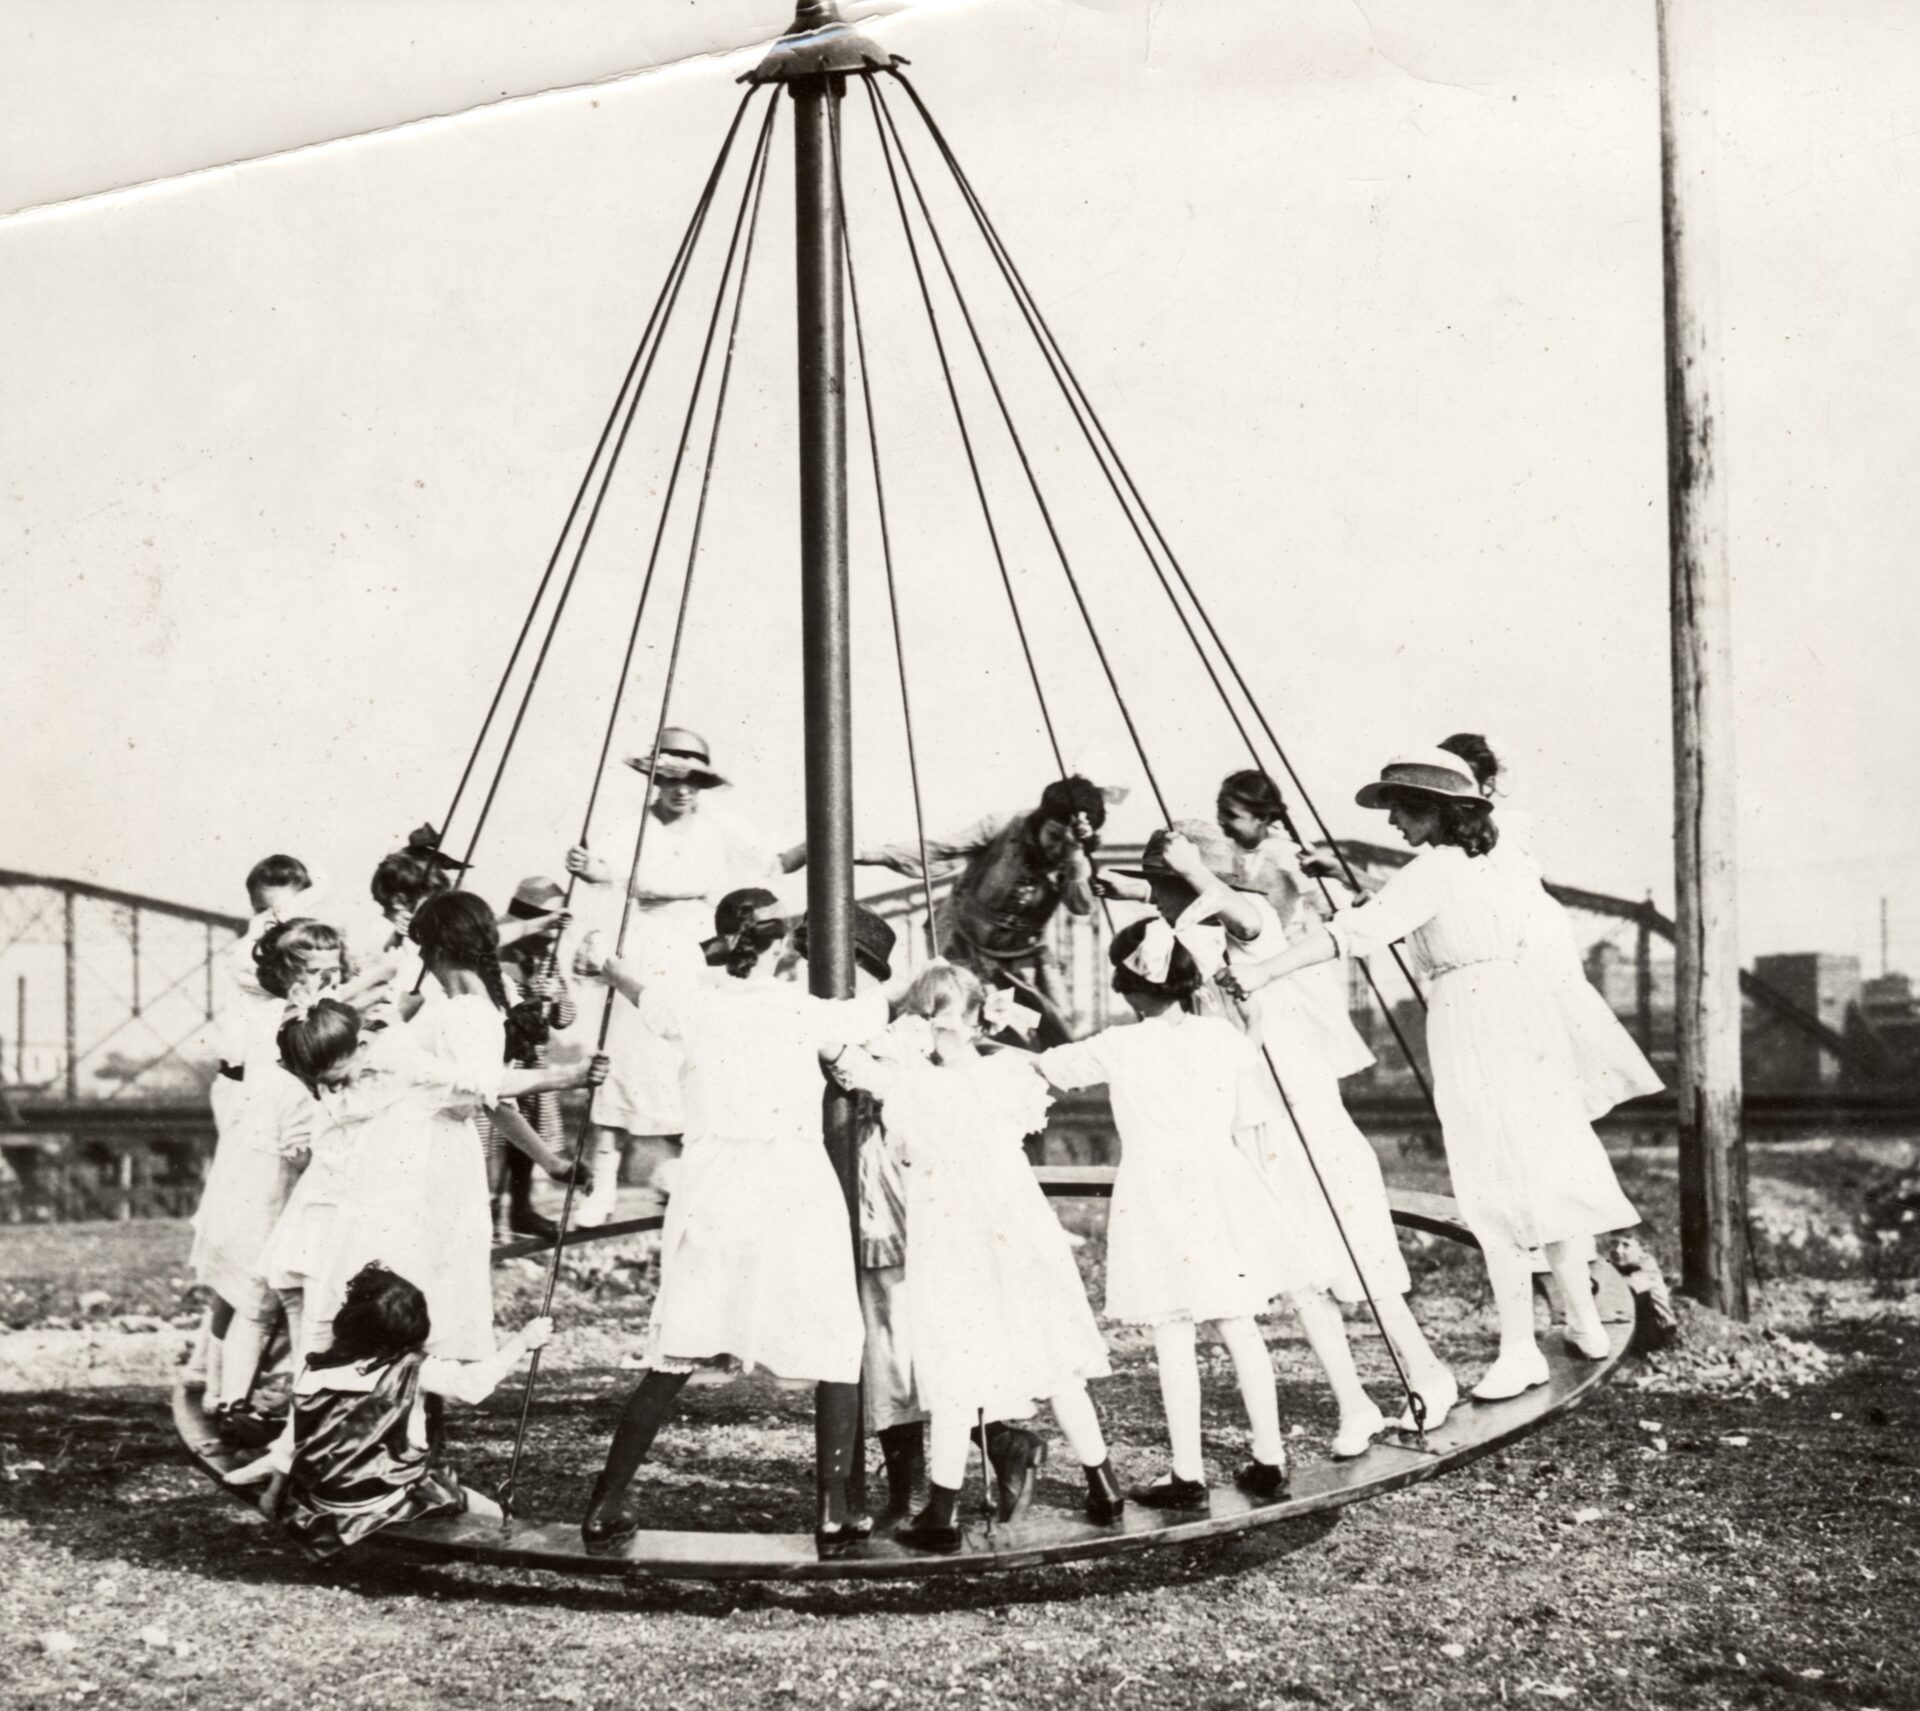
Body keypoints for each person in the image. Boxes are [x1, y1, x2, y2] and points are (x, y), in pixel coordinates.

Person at [1232, 750, 1641, 1401]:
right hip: (1522, 1015)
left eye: (1400, 807)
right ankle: (1584, 1320)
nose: (1392, 820)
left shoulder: (1434, 869)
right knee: (1541, 1166)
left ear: (1434, 810)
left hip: (1475, 1022)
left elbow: (1355, 932)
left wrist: (1261, 970)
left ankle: (1520, 1350)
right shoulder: (1492, 862)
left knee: (1492, 1179)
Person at [1101, 826, 1450, 1449]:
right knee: (1297, 1269)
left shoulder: (1252, 916)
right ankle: (1355, 1404)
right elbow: (1182, 912)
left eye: (1162, 886)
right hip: (1245, 1120)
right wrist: (1139, 889)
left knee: (1353, 1244)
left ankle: (1426, 1373)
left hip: (1300, 1108)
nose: (1156, 899)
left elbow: (1238, 912)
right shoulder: (1183, 936)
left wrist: (1192, 873)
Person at [570, 893, 895, 1558]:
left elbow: (640, 990)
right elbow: (875, 1011)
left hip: (714, 1182)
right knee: (837, 1337)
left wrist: (604, 962)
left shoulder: (692, 1002)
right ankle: (833, 1510)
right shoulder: (805, 1010)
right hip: (793, 1180)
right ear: (782, 945)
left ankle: (606, 1500)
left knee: (678, 1344)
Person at [828, 963, 1124, 1554]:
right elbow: (1039, 1064)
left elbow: (841, 1057)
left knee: (955, 1363)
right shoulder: (1007, 1072)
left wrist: (887, 1028)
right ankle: (1104, 1485)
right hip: (1019, 1226)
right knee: (1052, 1355)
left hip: (954, 1231)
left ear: (930, 1022)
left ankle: (942, 1510)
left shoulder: (912, 1084)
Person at [1036, 921, 1298, 1505]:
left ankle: (1188, 1473)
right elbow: (1248, 1054)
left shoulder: (1119, 1045)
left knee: (1173, 1330)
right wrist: (1253, 1021)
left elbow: (1047, 1067)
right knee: (1238, 1322)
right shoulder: (1220, 1037)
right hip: (1219, 1182)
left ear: (1131, 989)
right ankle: (1270, 1457)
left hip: (1158, 1189)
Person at [307, 893, 588, 1370]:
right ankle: (411, 1383)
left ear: (434, 949)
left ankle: (393, 1382)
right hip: (437, 1149)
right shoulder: (482, 1005)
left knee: (407, 1264)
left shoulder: (463, 1011)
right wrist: (551, 1160)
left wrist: (567, 1083)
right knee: (432, 1267)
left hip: (419, 1149)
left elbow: (485, 1090)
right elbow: (490, 1094)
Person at [564, 728, 800, 1229]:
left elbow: (775, 861)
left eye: (693, 781)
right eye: (671, 779)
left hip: (697, 943)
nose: (682, 789)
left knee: (692, 1054)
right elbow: (603, 872)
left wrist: (826, 841)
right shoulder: (629, 827)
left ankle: (686, 1178)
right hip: (644, 938)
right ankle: (602, 1185)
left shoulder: (721, 825)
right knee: (624, 1057)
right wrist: (587, 869)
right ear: (656, 779)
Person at [1436, 734, 1664, 1118]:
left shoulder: (1495, 828)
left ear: (1485, 785)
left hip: (1527, 941)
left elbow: (1446, 894)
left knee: (1536, 1041)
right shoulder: (1471, 837)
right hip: (1520, 935)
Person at [272, 1263, 554, 1559]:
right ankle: (513, 1535)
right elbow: (471, 1385)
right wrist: (521, 1343)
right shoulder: (412, 1369)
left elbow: (295, 1441)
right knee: (461, 1496)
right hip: (381, 1502)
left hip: (323, 1502)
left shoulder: (316, 1368)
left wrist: (276, 1490)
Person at [189, 918, 344, 1430]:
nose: (329, 980)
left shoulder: (310, 1013)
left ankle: (243, 1397)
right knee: (260, 1290)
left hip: (289, 1155)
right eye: (317, 972)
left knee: (279, 1291)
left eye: (335, 970)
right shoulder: (278, 1020)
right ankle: (231, 1402)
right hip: (274, 1166)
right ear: (289, 975)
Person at [822, 775, 1107, 1047]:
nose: (1056, 849)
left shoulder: (1076, 857)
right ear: (1040, 821)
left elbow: (1081, 906)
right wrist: (870, 855)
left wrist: (1076, 859)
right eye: (1053, 836)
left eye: (1066, 844)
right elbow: (941, 850)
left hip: (1022, 953)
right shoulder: (1004, 826)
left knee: (1055, 1026)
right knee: (968, 1016)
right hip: (963, 941)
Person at [489, 876, 579, 1242]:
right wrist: (530, 999)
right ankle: (489, 1212)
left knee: (527, 1139)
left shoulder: (546, 959)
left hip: (533, 1061)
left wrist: (554, 998)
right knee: (493, 1138)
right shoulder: (499, 955)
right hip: (501, 1057)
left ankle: (521, 1210)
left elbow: (565, 1017)